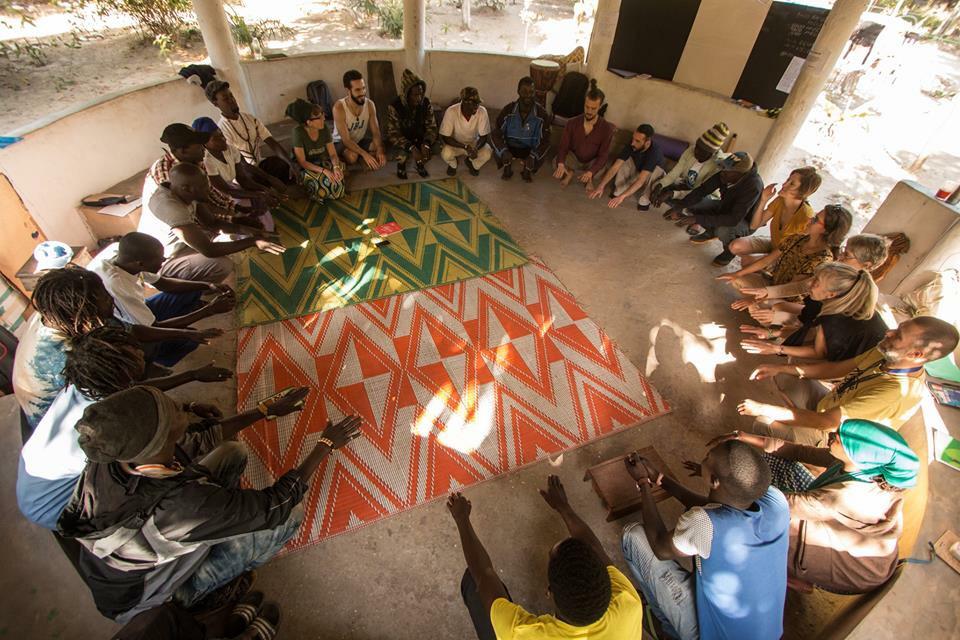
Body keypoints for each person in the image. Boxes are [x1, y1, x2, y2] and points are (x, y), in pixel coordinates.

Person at [57, 385, 363, 623]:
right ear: (159, 446)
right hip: (148, 601)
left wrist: (263, 410)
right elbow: (275, 506)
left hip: (123, 567)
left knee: (231, 451)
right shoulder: (181, 510)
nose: (184, 414)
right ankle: (202, 596)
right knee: (288, 517)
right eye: (176, 420)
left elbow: (194, 444)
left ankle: (220, 524)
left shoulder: (113, 458)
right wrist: (325, 446)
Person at [17, 325, 233, 530]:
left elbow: (135, 396)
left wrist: (188, 403)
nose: (143, 357)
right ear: (120, 377)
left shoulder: (86, 383)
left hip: (36, 487)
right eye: (135, 362)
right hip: (53, 504)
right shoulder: (98, 426)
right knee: (158, 464)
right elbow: (144, 422)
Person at [715, 420, 919, 594]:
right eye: (838, 431)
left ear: (856, 454)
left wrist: (723, 477)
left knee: (758, 517)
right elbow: (798, 451)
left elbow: (784, 504)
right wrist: (741, 437)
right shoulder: (862, 466)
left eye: (839, 437)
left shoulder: (844, 496)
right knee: (773, 463)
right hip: (846, 540)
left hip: (857, 572)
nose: (832, 435)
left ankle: (790, 572)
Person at [621, 441, 789, 640]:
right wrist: (660, 479)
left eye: (708, 457)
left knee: (633, 537)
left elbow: (659, 546)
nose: (704, 458)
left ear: (715, 481)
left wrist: (643, 483)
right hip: (767, 633)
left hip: (714, 636)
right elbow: (719, 508)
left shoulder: (705, 523)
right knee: (691, 522)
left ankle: (669, 629)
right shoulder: (776, 501)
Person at [450, 475, 644, 640]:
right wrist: (564, 508)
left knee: (473, 584)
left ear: (549, 591)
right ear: (606, 579)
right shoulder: (628, 604)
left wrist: (461, 519)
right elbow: (594, 547)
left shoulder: (522, 634)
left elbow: (484, 575)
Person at [740, 316, 959, 445]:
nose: (889, 333)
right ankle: (793, 422)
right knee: (787, 375)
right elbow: (836, 368)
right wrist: (779, 368)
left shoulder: (893, 392)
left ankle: (801, 453)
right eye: (897, 328)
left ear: (917, 355)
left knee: (763, 423)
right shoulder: (887, 352)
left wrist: (768, 409)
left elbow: (828, 423)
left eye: (898, 336)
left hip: (835, 439)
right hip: (829, 405)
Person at [87, 232, 236, 366]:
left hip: (139, 312)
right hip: (128, 330)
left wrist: (209, 285)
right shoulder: (117, 285)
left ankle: (180, 321)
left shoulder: (124, 261)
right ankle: (156, 358)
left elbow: (164, 284)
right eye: (159, 259)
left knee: (190, 291)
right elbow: (151, 328)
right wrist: (209, 311)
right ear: (140, 263)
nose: (164, 260)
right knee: (188, 339)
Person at [138, 162, 285, 283]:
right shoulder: (171, 207)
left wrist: (248, 229)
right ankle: (193, 287)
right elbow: (209, 250)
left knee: (224, 237)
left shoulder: (182, 191)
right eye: (203, 187)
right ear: (187, 189)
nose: (208, 190)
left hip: (181, 245)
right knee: (222, 265)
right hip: (161, 262)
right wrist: (254, 241)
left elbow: (212, 223)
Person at [12, 266, 115, 428]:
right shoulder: (66, 357)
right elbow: (116, 395)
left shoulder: (52, 312)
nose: (111, 300)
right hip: (61, 426)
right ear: (78, 313)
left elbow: (124, 328)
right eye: (105, 298)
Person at [740, 263, 888, 363]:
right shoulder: (830, 297)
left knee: (793, 364)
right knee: (778, 311)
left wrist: (776, 348)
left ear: (831, 294)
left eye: (816, 283)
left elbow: (818, 351)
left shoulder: (837, 320)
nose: (810, 284)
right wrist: (771, 333)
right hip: (836, 336)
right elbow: (807, 326)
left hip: (860, 361)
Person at [736, 233, 890, 327]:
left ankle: (780, 330)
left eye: (847, 255)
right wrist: (765, 292)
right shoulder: (836, 269)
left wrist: (779, 320)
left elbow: (821, 324)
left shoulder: (853, 293)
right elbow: (801, 287)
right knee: (760, 300)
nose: (840, 257)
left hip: (816, 323)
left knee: (765, 307)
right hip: (808, 312)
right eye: (843, 250)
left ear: (866, 265)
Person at [142, 123, 260, 229]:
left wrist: (239, 209)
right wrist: (236, 220)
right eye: (199, 146)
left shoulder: (196, 161)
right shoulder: (167, 173)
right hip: (175, 231)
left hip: (197, 219)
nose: (204, 149)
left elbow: (210, 192)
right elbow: (197, 216)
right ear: (183, 150)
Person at [719, 204, 853, 294]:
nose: (810, 219)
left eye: (816, 219)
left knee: (758, 304)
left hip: (785, 297)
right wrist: (737, 274)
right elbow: (767, 260)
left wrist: (766, 293)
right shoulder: (798, 238)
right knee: (738, 278)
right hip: (775, 282)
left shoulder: (822, 259)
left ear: (826, 230)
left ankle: (772, 320)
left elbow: (794, 289)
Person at [192, 116, 290, 229]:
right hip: (217, 198)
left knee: (258, 200)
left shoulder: (231, 150)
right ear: (205, 144)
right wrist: (261, 194)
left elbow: (243, 180)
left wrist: (267, 190)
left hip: (232, 189)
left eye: (221, 135)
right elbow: (226, 191)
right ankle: (254, 233)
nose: (223, 139)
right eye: (216, 138)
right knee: (252, 203)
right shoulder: (207, 161)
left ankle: (266, 229)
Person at [673, 151, 765, 266]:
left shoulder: (753, 186)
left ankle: (729, 252)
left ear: (739, 174)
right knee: (696, 204)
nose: (722, 172)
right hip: (726, 208)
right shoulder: (725, 175)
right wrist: (679, 206)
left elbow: (734, 219)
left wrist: (697, 219)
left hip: (744, 221)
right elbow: (702, 190)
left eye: (727, 171)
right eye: (723, 168)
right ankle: (711, 231)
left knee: (724, 229)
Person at [728, 166, 822, 266]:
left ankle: (769, 272)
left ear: (802, 192)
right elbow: (754, 225)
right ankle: (762, 265)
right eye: (787, 180)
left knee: (749, 262)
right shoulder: (780, 200)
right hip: (773, 243)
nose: (784, 184)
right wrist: (764, 200)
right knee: (735, 246)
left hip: (785, 254)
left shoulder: (806, 216)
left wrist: (763, 259)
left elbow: (799, 249)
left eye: (792, 184)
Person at [207, 80, 298, 183]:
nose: (232, 100)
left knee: (285, 164)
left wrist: (291, 163)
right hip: (245, 172)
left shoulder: (250, 118)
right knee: (260, 181)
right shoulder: (222, 130)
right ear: (216, 103)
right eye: (225, 99)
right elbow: (241, 164)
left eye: (231, 96)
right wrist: (270, 179)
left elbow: (272, 142)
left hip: (260, 165)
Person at [552, 80, 616, 191]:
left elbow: (603, 155)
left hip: (591, 162)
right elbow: (563, 146)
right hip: (574, 158)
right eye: (587, 107)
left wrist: (591, 171)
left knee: (601, 169)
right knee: (556, 162)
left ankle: (589, 178)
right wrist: (561, 164)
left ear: (600, 107)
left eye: (593, 108)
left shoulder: (606, 129)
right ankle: (570, 172)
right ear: (584, 104)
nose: (589, 111)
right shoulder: (572, 123)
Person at [654, 122, 729, 214]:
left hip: (704, 194)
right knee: (659, 184)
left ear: (710, 154)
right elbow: (674, 173)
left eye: (701, 151)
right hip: (687, 185)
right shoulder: (691, 150)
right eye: (697, 146)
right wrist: (660, 185)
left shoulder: (716, 166)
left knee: (695, 203)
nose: (695, 151)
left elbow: (698, 193)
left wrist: (672, 193)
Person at [588, 124, 663, 209]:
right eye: (633, 138)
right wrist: (601, 186)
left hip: (651, 174)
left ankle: (645, 201)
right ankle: (619, 191)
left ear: (647, 143)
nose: (632, 143)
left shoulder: (654, 152)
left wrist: (622, 197)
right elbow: (616, 166)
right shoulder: (632, 144)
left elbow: (641, 179)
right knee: (624, 161)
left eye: (637, 141)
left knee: (657, 170)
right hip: (638, 169)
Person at [491, 76, 551, 182]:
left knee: (542, 152)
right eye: (524, 91)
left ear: (534, 93)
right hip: (510, 147)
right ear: (518, 91)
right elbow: (496, 133)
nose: (528, 95)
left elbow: (546, 140)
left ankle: (527, 170)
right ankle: (507, 167)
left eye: (531, 92)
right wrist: (504, 151)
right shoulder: (508, 110)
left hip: (529, 149)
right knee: (496, 146)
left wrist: (534, 155)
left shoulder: (542, 114)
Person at [285, 98, 345, 203]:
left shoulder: (324, 128)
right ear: (309, 122)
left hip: (322, 160)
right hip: (306, 166)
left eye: (323, 115)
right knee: (322, 183)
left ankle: (325, 188)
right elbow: (302, 162)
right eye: (319, 117)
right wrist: (324, 171)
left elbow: (332, 153)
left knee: (338, 182)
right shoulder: (298, 133)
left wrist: (335, 167)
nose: (324, 118)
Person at [385, 68, 439, 180]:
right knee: (402, 155)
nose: (419, 98)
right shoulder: (395, 106)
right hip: (404, 141)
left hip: (420, 138)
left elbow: (432, 127)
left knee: (439, 148)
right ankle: (401, 165)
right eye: (415, 95)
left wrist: (427, 142)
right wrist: (411, 148)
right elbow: (393, 134)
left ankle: (420, 164)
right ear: (406, 94)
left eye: (421, 93)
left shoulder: (426, 103)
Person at [332, 69, 387, 172]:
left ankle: (363, 156)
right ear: (348, 90)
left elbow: (376, 132)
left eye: (363, 88)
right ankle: (341, 159)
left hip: (358, 140)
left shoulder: (370, 105)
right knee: (352, 157)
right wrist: (365, 154)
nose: (362, 93)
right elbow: (346, 140)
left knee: (379, 145)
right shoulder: (339, 108)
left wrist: (379, 150)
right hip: (340, 142)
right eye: (357, 90)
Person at [439, 86, 492, 177]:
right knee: (446, 154)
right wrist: (465, 147)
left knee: (487, 152)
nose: (476, 106)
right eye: (473, 103)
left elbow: (484, 137)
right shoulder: (451, 111)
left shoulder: (482, 111)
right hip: (456, 143)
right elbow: (446, 137)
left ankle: (472, 164)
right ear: (463, 102)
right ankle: (453, 165)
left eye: (477, 103)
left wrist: (475, 149)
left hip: (473, 143)